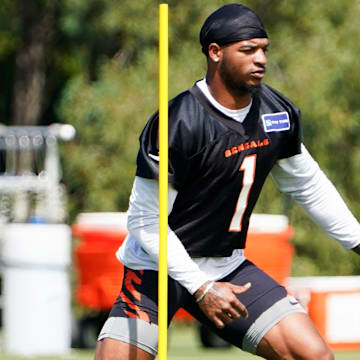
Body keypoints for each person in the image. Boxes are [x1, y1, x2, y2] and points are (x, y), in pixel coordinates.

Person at [95, 4, 360, 360]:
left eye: (264, 48)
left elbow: (308, 186)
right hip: (156, 270)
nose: (261, 59)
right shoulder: (179, 123)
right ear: (215, 52)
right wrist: (201, 287)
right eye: (248, 50)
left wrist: (357, 242)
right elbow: (145, 221)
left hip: (225, 265)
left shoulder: (275, 113)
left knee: (312, 355)